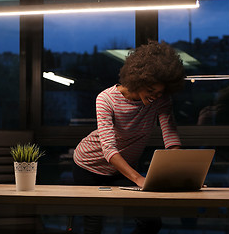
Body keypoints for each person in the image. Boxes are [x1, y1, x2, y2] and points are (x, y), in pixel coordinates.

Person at [73, 40, 185, 234]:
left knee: (151, 222)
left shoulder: (161, 101)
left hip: (121, 170)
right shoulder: (105, 99)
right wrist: (139, 178)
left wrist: (181, 175)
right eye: (150, 91)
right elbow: (108, 148)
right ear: (137, 80)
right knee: (93, 224)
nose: (155, 97)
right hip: (88, 165)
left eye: (160, 92)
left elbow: (171, 137)